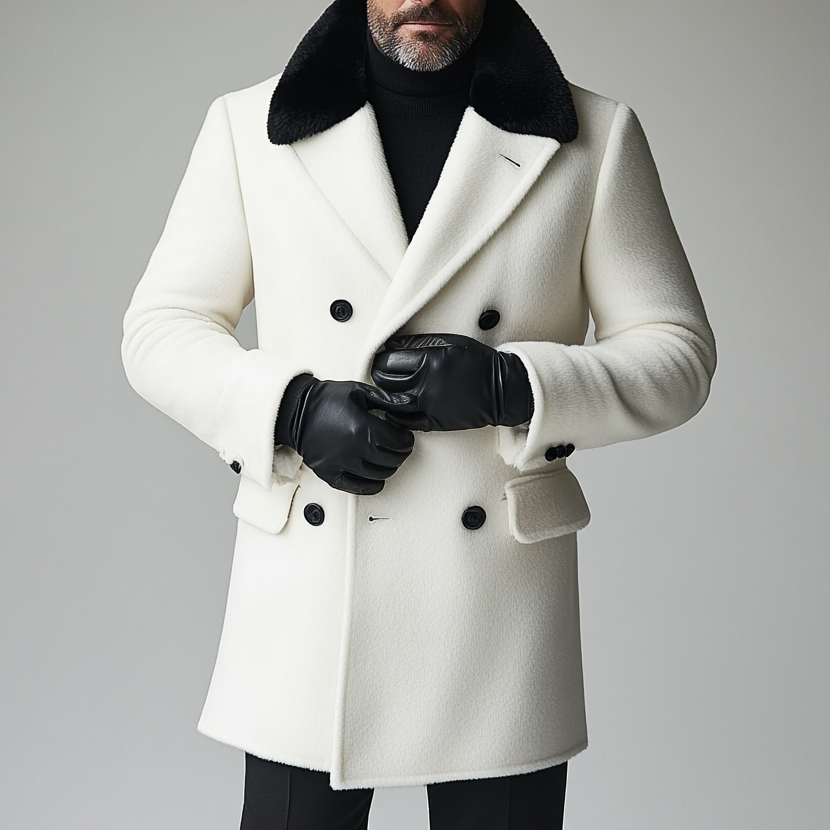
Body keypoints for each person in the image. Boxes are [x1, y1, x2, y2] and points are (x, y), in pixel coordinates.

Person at [121, 0, 717, 826]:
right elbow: (161, 330)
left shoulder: (593, 136)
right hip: (312, 597)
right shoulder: (249, 128)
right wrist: (293, 410)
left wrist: (515, 386)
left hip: (496, 610)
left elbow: (679, 354)